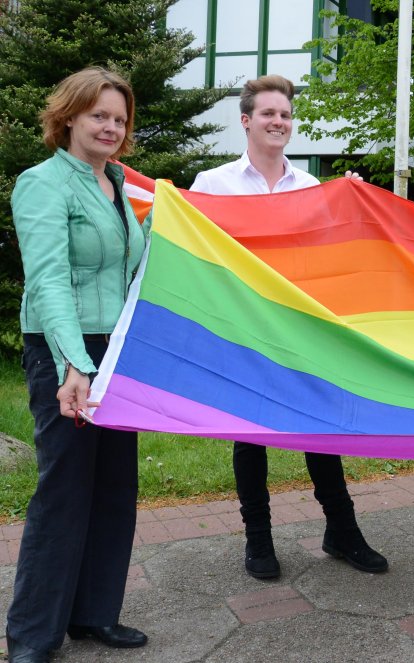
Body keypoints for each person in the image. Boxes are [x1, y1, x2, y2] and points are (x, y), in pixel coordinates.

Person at [190, 75, 387, 579]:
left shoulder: (312, 188)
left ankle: (342, 532)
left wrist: (356, 206)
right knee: (250, 437)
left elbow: (333, 258)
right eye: (268, 114)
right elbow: (191, 257)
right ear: (246, 121)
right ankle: (258, 541)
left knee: (318, 430)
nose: (279, 122)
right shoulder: (213, 185)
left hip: (302, 333)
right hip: (245, 333)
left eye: (285, 115)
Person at [5, 67, 150, 663]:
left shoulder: (120, 185)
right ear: (67, 117)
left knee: (115, 488)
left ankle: (94, 615)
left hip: (118, 353)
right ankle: (33, 637)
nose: (111, 127)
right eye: (99, 115)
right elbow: (48, 283)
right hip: (67, 351)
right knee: (63, 491)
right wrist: (74, 363)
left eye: (119, 118)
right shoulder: (42, 184)